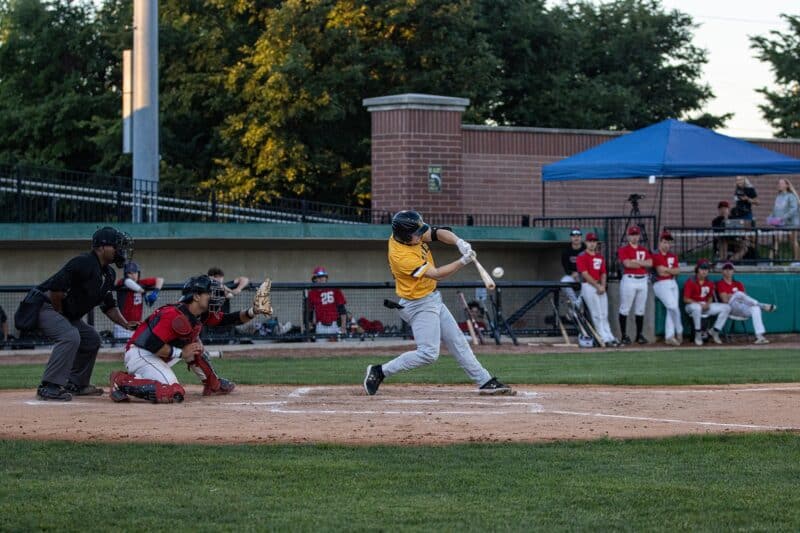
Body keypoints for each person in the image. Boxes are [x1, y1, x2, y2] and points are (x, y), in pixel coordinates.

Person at [363, 210, 513, 396]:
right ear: (404, 236)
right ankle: (379, 371)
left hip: (431, 298)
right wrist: (463, 260)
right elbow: (437, 274)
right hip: (418, 304)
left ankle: (485, 381)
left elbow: (437, 233)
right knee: (428, 354)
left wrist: (459, 242)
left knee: (458, 342)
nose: (420, 235)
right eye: (416, 234)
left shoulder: (410, 234)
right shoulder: (401, 257)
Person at [109, 274, 267, 403]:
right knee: (172, 392)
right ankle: (121, 380)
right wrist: (181, 353)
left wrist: (254, 311)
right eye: (210, 292)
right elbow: (151, 343)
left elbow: (229, 319)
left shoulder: (201, 313)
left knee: (196, 348)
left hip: (160, 353)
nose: (215, 296)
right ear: (197, 296)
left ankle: (214, 385)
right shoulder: (173, 315)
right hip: (141, 353)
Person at [34, 226, 138, 401]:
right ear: (101, 247)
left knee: (91, 338)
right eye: (116, 246)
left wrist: (126, 324)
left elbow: (108, 306)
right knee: (70, 335)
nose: (120, 251)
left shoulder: (108, 273)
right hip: (45, 305)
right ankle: (48, 386)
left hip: (61, 311)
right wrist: (60, 313)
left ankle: (76, 383)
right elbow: (56, 289)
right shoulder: (83, 262)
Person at [715, 262, 776, 345]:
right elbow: (725, 299)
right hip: (730, 308)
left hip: (742, 307)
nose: (728, 271)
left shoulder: (738, 283)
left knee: (755, 308)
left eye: (730, 269)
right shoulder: (720, 283)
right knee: (738, 294)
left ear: (733, 271)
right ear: (722, 271)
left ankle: (760, 337)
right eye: (726, 269)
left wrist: (731, 295)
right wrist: (735, 296)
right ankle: (762, 305)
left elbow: (745, 299)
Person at [576, 232, 619, 346]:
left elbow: (603, 273)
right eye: (590, 241)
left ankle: (609, 335)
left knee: (604, 313)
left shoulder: (599, 257)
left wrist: (603, 286)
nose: (592, 244)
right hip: (588, 286)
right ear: (586, 242)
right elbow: (584, 274)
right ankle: (602, 337)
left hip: (600, 286)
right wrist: (597, 286)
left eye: (594, 241)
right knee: (596, 313)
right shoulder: (582, 256)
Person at [682, 259, 730, 346]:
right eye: (702, 269)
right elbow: (686, 299)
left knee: (727, 307)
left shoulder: (709, 282)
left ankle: (715, 331)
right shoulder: (691, 281)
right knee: (697, 308)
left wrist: (708, 304)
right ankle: (698, 334)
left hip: (704, 305)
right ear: (697, 269)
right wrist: (698, 304)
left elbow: (710, 297)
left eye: (706, 269)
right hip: (691, 306)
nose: (704, 271)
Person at [617, 226, 652, 344]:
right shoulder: (624, 249)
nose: (634, 237)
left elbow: (650, 263)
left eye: (636, 235)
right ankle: (624, 335)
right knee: (625, 308)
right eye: (632, 235)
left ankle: (639, 335)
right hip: (629, 279)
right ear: (628, 236)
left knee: (640, 309)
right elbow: (627, 264)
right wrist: (642, 264)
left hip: (643, 280)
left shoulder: (643, 249)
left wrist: (636, 262)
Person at [113, 261, 164, 342]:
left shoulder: (141, 283)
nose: (133, 275)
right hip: (123, 326)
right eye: (130, 273)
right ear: (126, 274)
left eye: (135, 272)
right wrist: (143, 292)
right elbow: (128, 282)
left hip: (137, 326)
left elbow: (160, 280)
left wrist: (155, 293)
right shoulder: (122, 282)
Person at [652, 231, 683, 346]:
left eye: (668, 243)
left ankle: (669, 336)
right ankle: (679, 330)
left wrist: (667, 270)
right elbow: (660, 272)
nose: (666, 245)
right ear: (660, 243)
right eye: (664, 242)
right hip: (660, 284)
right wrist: (670, 271)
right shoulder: (656, 255)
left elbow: (677, 271)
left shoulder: (673, 256)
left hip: (672, 282)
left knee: (672, 309)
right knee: (673, 306)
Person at [204, 267, 250, 342]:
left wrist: (238, 289)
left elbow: (244, 279)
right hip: (209, 325)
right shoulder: (205, 287)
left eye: (220, 279)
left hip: (223, 323)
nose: (218, 282)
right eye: (215, 279)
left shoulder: (225, 285)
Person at [307, 266, 347, 341]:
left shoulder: (335, 289)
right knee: (320, 350)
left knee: (339, 349)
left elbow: (342, 309)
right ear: (314, 279)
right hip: (320, 326)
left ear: (326, 278)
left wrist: (343, 326)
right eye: (318, 277)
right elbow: (310, 312)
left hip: (335, 325)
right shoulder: (311, 293)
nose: (321, 279)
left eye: (323, 276)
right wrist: (309, 326)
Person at [768, 178, 800, 261]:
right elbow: (775, 209)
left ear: (787, 185)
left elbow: (794, 209)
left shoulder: (791, 196)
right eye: (778, 183)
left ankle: (797, 260)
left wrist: (783, 217)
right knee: (776, 239)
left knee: (793, 241)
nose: (779, 185)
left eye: (781, 183)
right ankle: (770, 260)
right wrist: (771, 217)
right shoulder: (778, 196)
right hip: (780, 223)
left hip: (792, 223)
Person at [560, 228, 586, 307]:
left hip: (585, 275)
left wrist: (580, 274)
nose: (576, 238)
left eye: (578, 236)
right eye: (574, 236)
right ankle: (575, 303)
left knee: (587, 287)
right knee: (563, 281)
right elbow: (566, 267)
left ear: (581, 237)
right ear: (571, 238)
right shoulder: (566, 251)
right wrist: (572, 274)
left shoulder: (586, 249)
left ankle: (576, 306)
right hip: (572, 275)